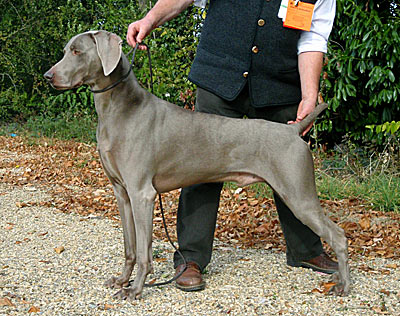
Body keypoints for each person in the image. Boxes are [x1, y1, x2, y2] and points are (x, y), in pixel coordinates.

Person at [127, 0, 337, 292]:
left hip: (280, 83)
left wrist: (309, 95)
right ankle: (191, 257)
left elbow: (313, 37)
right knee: (198, 169)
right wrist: (150, 20)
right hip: (219, 76)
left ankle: (306, 250)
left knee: (287, 165)